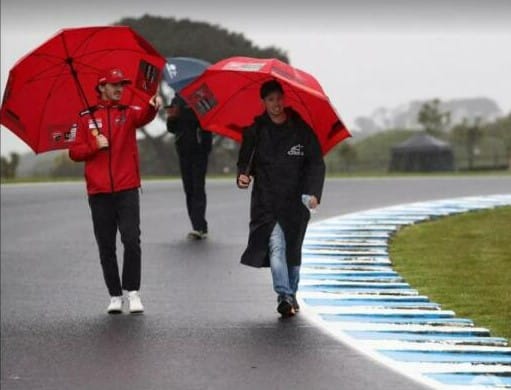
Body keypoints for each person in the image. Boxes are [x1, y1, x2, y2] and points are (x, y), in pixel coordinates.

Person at [69, 67, 162, 314]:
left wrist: (153, 106)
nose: (119, 89)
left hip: (127, 187)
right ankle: (114, 295)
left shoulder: (128, 113)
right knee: (106, 246)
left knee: (131, 240)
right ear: (101, 87)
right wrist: (93, 145)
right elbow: (74, 152)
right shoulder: (85, 116)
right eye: (114, 84)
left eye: (121, 84)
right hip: (98, 192)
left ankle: (133, 293)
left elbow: (144, 116)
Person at [236, 79, 326, 317]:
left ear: (284, 99)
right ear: (263, 102)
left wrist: (314, 193)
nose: (276, 104)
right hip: (266, 201)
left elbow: (316, 163)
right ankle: (283, 295)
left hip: (296, 202)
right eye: (270, 100)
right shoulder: (255, 131)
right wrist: (242, 177)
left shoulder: (301, 130)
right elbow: (245, 162)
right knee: (276, 246)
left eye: (278, 99)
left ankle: (291, 294)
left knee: (293, 252)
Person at [166, 93, 212, 240]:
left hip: (199, 149)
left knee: (198, 186)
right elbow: (171, 128)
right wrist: (172, 118)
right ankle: (196, 225)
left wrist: (190, 112)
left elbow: (208, 121)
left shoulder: (202, 97)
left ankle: (200, 226)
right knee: (189, 188)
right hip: (183, 149)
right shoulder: (176, 99)